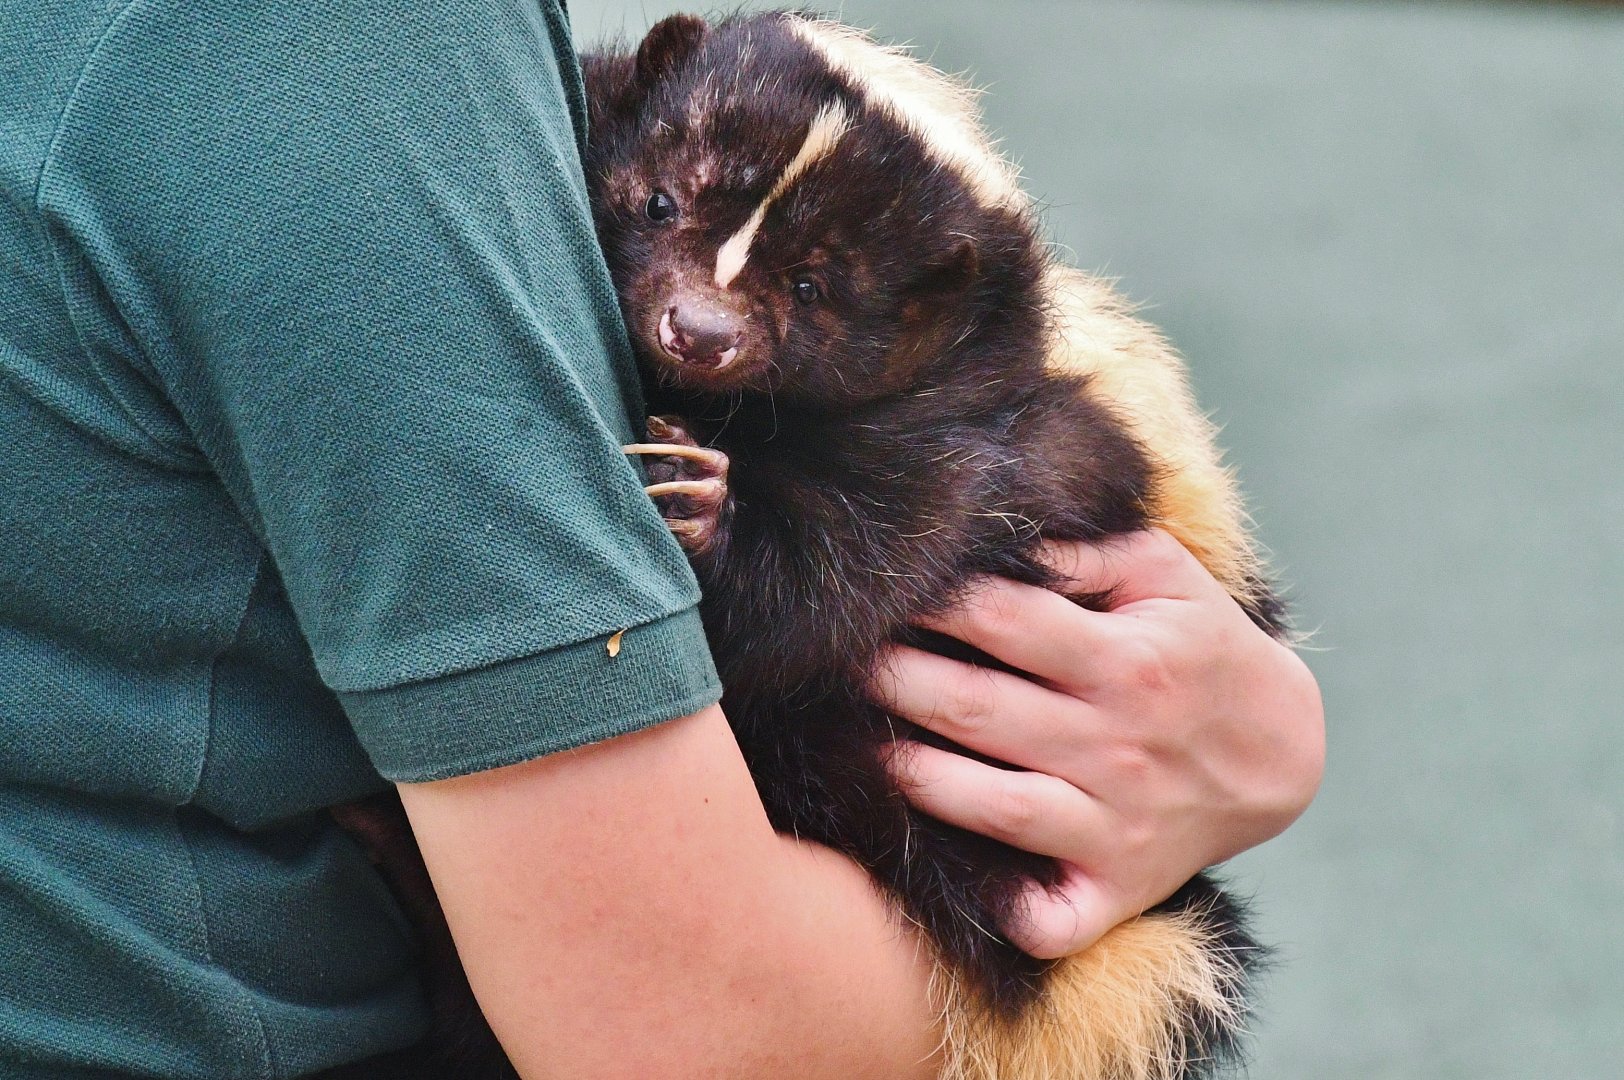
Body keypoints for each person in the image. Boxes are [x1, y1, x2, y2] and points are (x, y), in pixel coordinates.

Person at [0, 1, 1324, 1077]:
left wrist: (1257, 725)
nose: (697, 312)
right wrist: (1258, 751)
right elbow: (685, 1022)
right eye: (665, 222)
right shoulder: (353, 70)